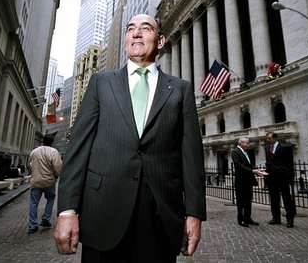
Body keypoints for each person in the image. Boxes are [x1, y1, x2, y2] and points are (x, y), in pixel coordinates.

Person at [54, 14, 206, 263]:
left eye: (146, 28)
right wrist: (67, 210)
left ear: (160, 41)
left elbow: (191, 157)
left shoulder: (180, 89)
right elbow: (78, 149)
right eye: (131, 29)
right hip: (102, 215)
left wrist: (194, 214)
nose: (136, 33)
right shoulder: (101, 83)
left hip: (160, 219)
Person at [28, 134, 62, 234]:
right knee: (51, 199)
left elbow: (30, 165)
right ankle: (46, 219)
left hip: (36, 181)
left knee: (33, 203)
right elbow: (58, 168)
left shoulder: (34, 151)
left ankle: (32, 225)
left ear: (43, 141)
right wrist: (56, 175)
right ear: (52, 142)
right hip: (49, 182)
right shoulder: (54, 152)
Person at [265, 131, 295, 228]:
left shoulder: (285, 147)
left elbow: (290, 164)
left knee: (287, 199)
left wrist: (290, 177)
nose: (267, 140)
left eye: (269, 138)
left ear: (275, 138)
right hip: (272, 178)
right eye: (267, 138)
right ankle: (276, 218)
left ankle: (290, 220)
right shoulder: (267, 148)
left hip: (283, 177)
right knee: (274, 199)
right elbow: (268, 162)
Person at [231, 137, 263, 227]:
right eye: (246, 143)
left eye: (248, 143)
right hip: (240, 181)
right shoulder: (235, 151)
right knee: (241, 201)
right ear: (241, 143)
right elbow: (239, 166)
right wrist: (253, 171)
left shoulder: (246, 152)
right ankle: (241, 220)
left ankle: (248, 218)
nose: (248, 145)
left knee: (248, 200)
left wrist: (257, 169)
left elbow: (248, 165)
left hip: (248, 180)